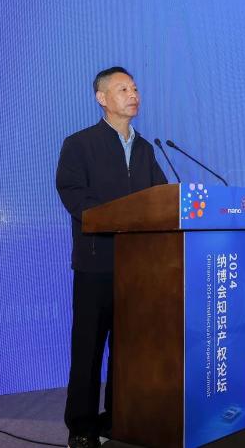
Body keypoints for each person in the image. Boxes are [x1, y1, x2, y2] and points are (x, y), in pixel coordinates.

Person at [56, 67, 168, 448]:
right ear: (102, 98)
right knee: (88, 351)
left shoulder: (146, 149)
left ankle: (119, 418)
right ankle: (82, 429)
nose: (133, 94)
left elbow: (160, 199)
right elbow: (73, 194)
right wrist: (119, 216)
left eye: (135, 88)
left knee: (129, 350)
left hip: (138, 268)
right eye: (123, 89)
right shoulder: (79, 144)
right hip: (96, 265)